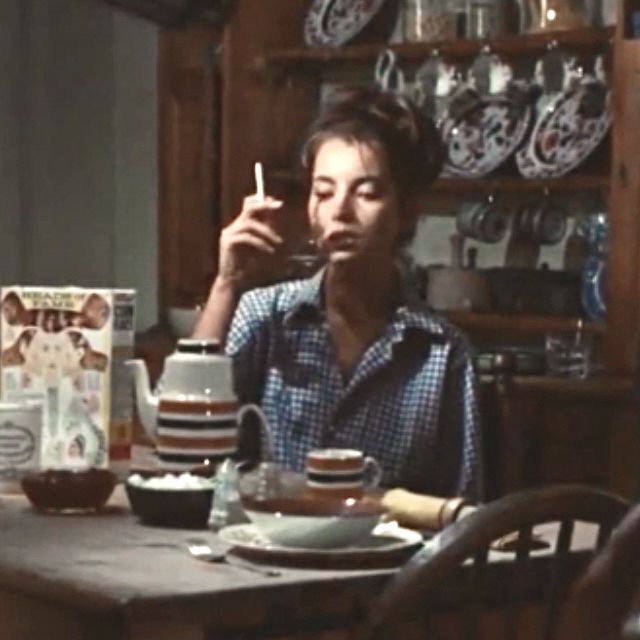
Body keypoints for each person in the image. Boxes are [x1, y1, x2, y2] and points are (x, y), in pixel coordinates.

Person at [194, 85, 484, 502]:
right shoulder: (266, 315)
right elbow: (185, 433)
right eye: (324, 192)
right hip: (269, 538)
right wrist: (226, 283)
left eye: (366, 193)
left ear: (407, 210)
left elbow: (461, 510)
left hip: (382, 545)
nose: (340, 211)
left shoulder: (440, 354)